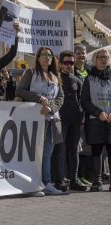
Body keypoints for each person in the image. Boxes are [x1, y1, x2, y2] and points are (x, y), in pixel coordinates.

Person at [15, 47, 65, 196]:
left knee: (47, 154)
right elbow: (20, 91)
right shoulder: (31, 72)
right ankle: (33, 184)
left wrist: (50, 107)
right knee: (32, 153)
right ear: (37, 58)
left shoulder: (55, 75)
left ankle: (46, 183)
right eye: (43, 55)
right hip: (33, 120)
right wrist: (38, 98)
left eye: (49, 55)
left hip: (51, 120)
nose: (46, 57)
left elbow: (60, 98)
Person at [55, 50, 86, 191]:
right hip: (60, 120)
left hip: (75, 120)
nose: (69, 65)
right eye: (66, 62)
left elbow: (82, 102)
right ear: (61, 64)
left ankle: (74, 179)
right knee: (60, 149)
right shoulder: (55, 78)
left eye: (71, 63)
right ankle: (60, 180)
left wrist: (82, 121)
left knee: (74, 150)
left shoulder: (77, 80)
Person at [81, 49, 111, 192]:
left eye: (106, 57)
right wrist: (98, 113)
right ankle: (97, 181)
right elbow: (84, 101)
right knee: (96, 152)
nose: (103, 60)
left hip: (110, 120)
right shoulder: (89, 79)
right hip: (95, 120)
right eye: (101, 57)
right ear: (95, 59)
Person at [73, 44, 92, 186]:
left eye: (83, 53)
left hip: (91, 112)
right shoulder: (71, 71)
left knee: (88, 145)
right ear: (74, 55)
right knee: (77, 145)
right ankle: (77, 176)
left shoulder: (89, 70)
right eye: (78, 53)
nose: (81, 55)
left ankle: (87, 175)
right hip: (77, 113)